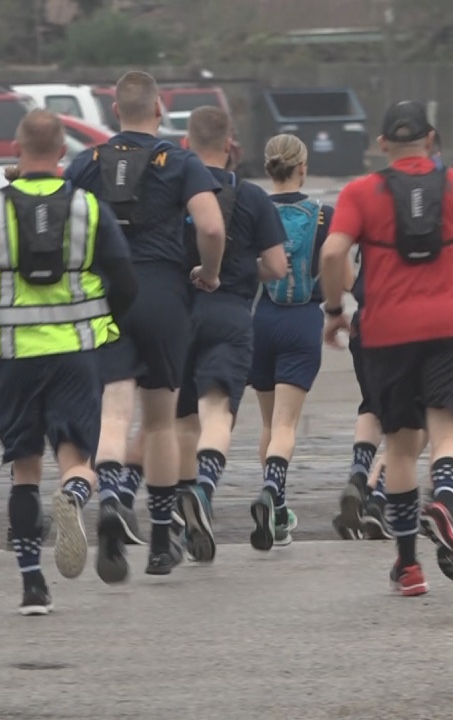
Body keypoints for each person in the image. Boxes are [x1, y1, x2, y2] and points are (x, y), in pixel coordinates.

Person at [319, 100, 453, 596]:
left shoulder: (360, 192)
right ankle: (444, 502)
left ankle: (408, 566)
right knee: (448, 436)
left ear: (381, 146)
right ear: (431, 139)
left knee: (401, 447)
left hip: (386, 333)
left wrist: (335, 310)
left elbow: (334, 251)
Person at [0, 109, 137, 615]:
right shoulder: (89, 208)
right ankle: (76, 494)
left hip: (12, 357)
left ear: (16, 148)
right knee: (78, 456)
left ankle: (33, 586)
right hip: (76, 354)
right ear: (63, 152)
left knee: (24, 469)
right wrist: (100, 317)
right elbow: (125, 283)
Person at [63, 71, 225, 582]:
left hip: (104, 293)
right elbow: (212, 225)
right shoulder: (181, 162)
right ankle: (159, 542)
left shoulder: (85, 163)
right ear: (159, 110)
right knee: (159, 421)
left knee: (114, 411)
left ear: (114, 111)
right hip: (162, 293)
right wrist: (209, 272)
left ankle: (110, 499)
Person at [334, 155, 453, 542]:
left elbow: (338, 256)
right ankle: (432, 502)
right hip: (441, 333)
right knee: (446, 426)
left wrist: (338, 308)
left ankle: (373, 494)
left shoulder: (383, 202)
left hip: (374, 327)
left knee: (392, 424)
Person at [174, 107, 287, 563]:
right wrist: (245, 270)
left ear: (186, 142)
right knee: (218, 410)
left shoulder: (174, 190)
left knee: (181, 421)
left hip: (178, 314)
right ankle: (204, 488)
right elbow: (278, 267)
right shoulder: (253, 196)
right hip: (230, 310)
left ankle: (184, 524)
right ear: (231, 142)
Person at [245, 133, 343, 552]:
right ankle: (273, 493)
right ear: (302, 167)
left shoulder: (253, 210)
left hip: (260, 320)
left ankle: (278, 512)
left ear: (269, 169)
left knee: (268, 423)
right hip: (302, 319)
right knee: (287, 424)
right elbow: (342, 272)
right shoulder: (325, 215)